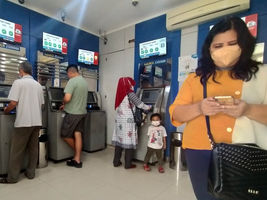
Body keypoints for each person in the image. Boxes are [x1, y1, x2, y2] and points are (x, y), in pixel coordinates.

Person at [169, 16, 267, 200]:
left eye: (232, 43)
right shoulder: (195, 78)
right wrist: (199, 107)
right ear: (209, 48)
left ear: (244, 44)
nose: (225, 50)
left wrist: (248, 110)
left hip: (248, 151)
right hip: (200, 150)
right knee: (206, 196)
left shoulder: (262, 75)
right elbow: (175, 113)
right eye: (218, 45)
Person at [0, 61, 44, 184]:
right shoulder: (38, 85)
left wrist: (6, 110)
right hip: (37, 121)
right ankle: (31, 173)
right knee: (33, 149)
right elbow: (41, 104)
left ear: (21, 71)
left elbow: (13, 103)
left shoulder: (18, 83)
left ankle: (12, 178)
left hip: (23, 122)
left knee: (17, 151)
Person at [112, 77, 151, 169]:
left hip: (119, 121)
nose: (132, 85)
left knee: (119, 141)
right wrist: (148, 107)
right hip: (128, 121)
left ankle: (116, 162)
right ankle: (128, 164)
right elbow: (140, 104)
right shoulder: (130, 93)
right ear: (127, 84)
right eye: (130, 83)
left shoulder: (119, 93)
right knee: (128, 141)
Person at [61, 64, 88, 168]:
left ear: (70, 72)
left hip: (72, 113)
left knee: (65, 135)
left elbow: (67, 98)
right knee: (78, 134)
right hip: (82, 112)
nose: (68, 76)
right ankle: (77, 160)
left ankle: (78, 153)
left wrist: (63, 103)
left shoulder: (72, 81)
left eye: (67, 74)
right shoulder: (84, 82)